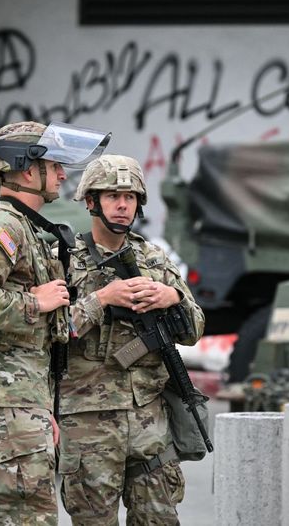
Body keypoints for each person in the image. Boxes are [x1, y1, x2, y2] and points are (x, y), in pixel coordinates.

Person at [0, 121, 109, 525]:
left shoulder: (20, 223)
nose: (63, 175)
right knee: (26, 516)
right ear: (29, 170)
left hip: (16, 402)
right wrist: (36, 302)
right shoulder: (6, 225)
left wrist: (39, 406)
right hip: (5, 407)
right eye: (55, 166)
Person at [58, 154, 205, 525]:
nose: (123, 205)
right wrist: (102, 299)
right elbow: (52, 331)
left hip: (149, 418)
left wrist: (172, 298)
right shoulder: (64, 259)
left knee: (159, 519)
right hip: (88, 419)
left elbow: (194, 329)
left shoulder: (154, 259)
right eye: (112, 196)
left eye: (130, 197)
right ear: (91, 201)